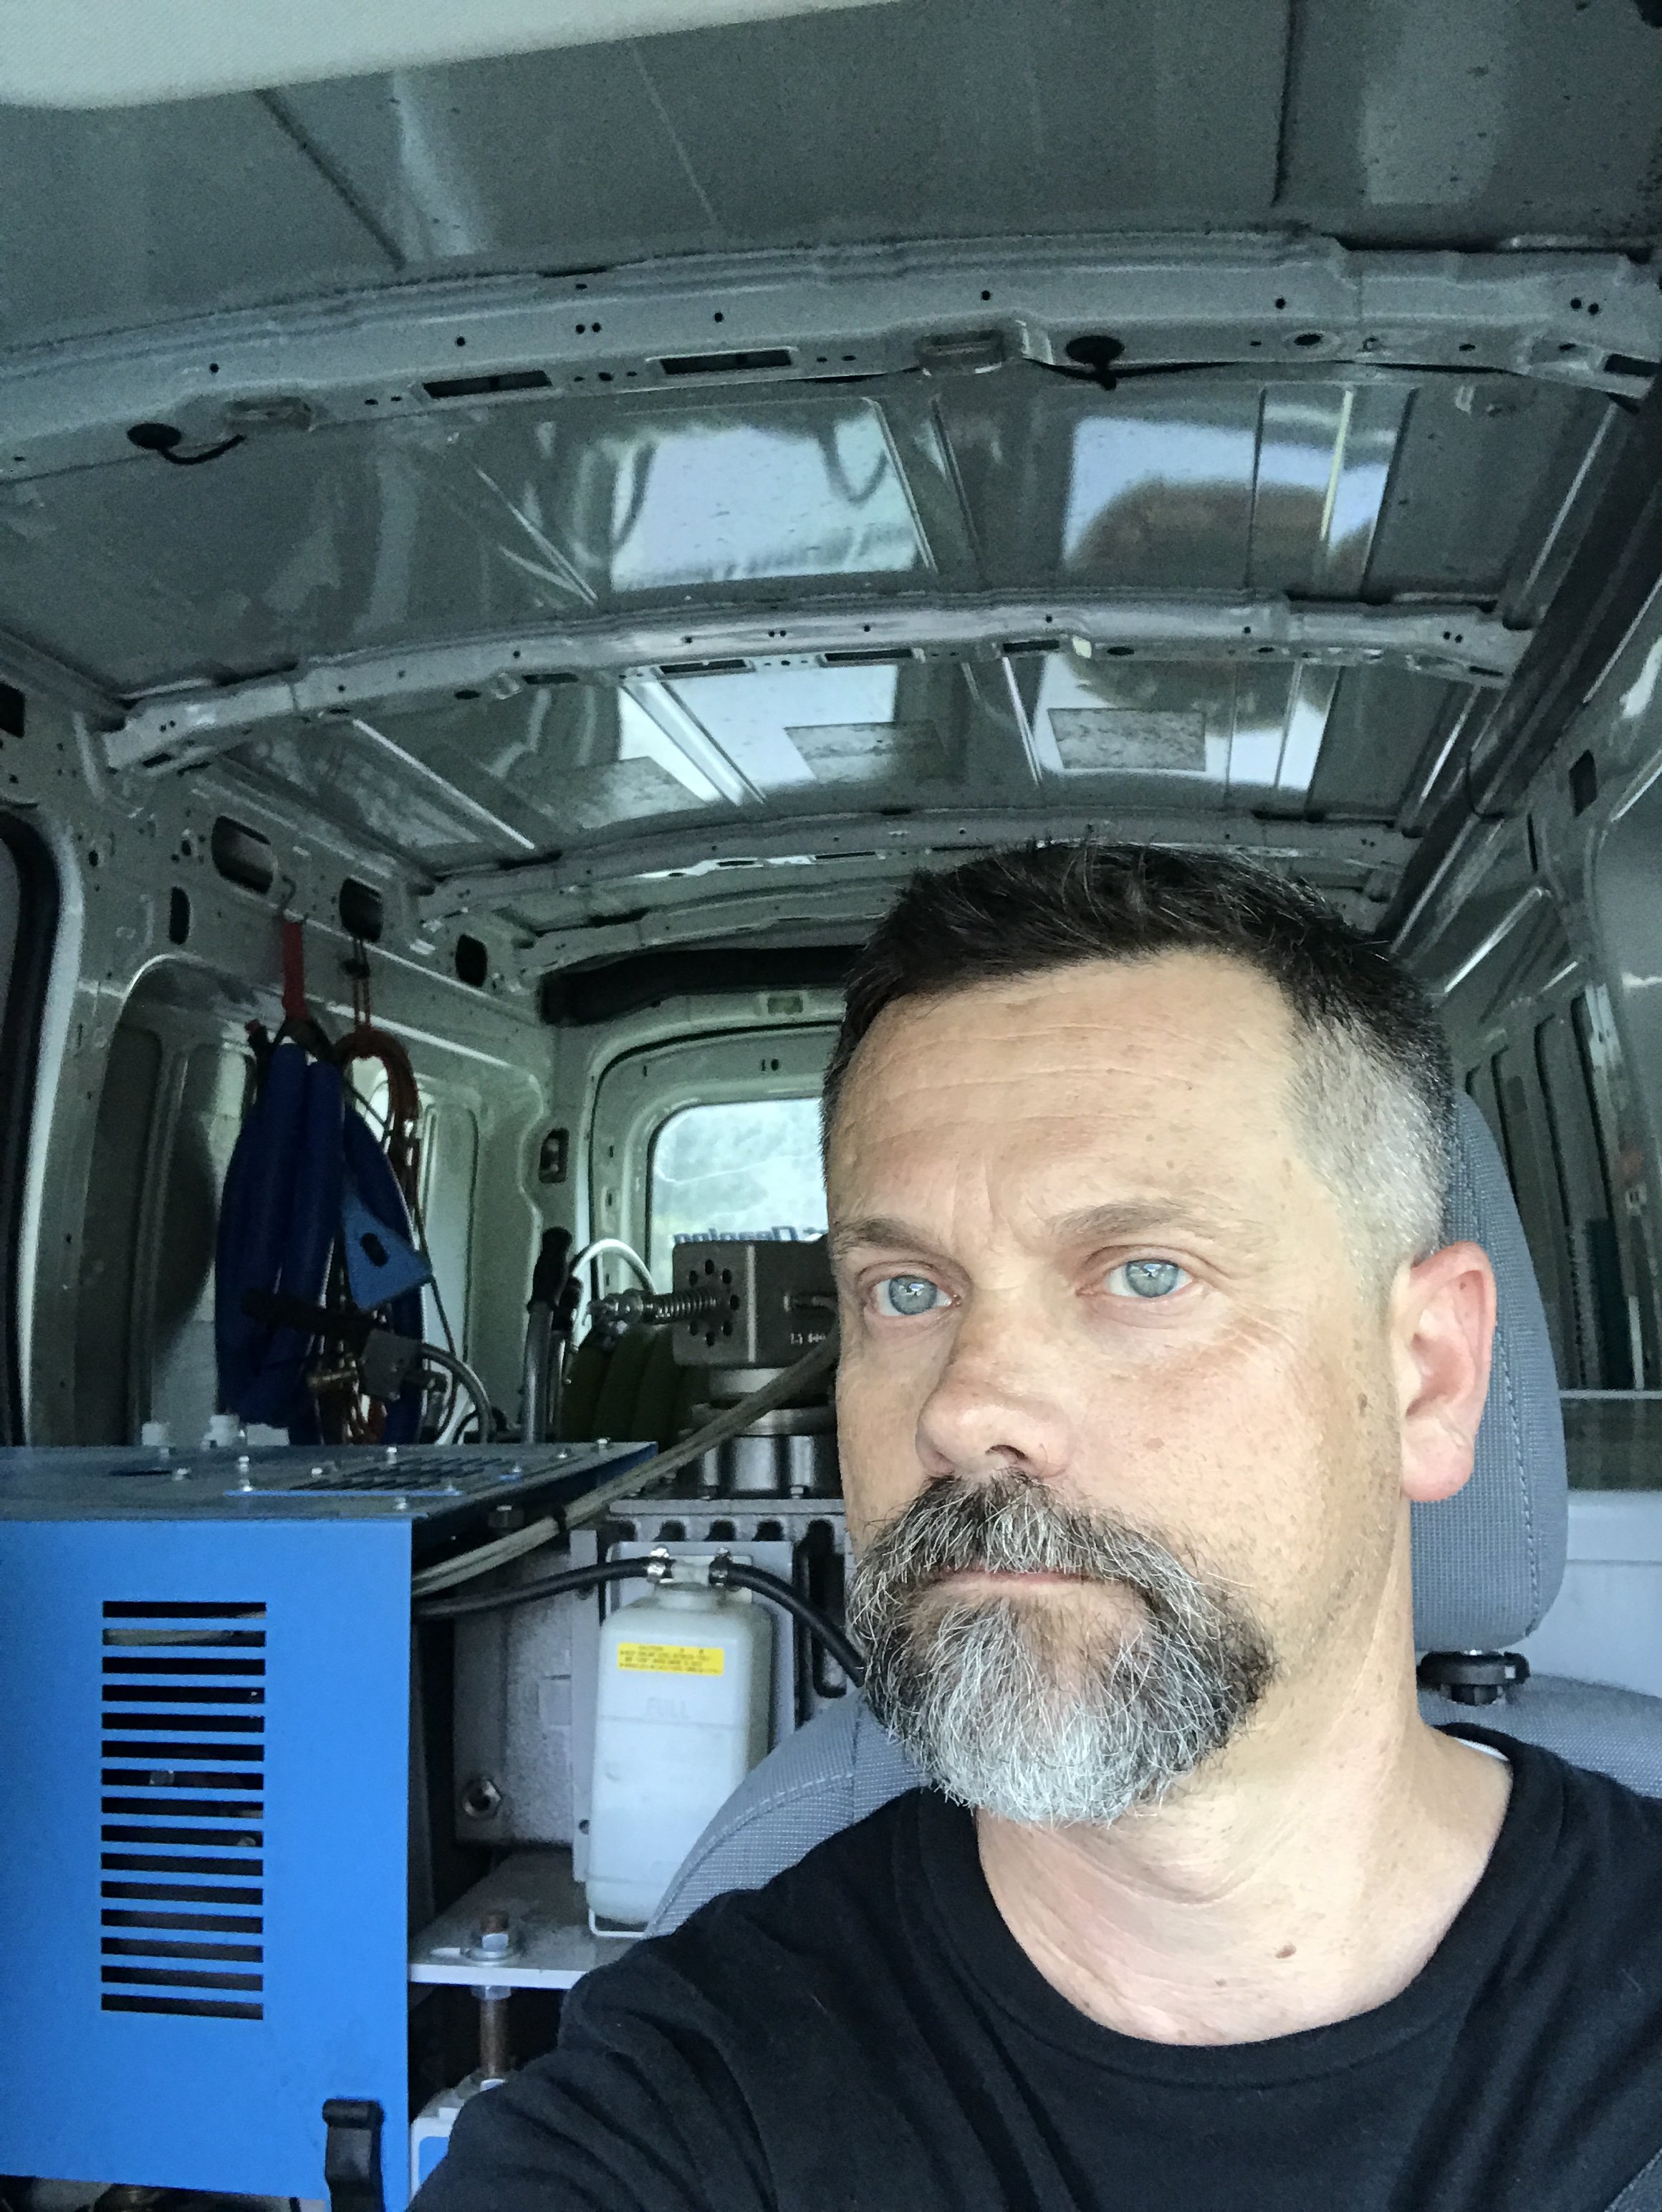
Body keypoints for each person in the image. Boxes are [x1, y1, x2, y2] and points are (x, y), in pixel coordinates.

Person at [419, 843, 1662, 2211]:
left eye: (1146, 1272)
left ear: (1426, 1375)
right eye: (905, 1290)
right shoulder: (686, 2094)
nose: (965, 1408)